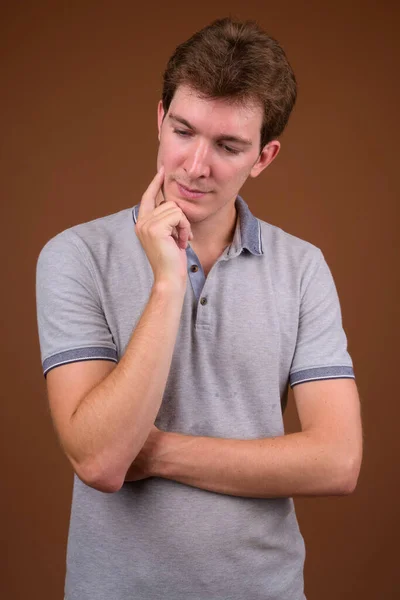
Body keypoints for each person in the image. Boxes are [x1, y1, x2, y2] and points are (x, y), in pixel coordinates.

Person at [35, 16, 363, 600]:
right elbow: (101, 462)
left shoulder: (302, 266)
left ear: (264, 157)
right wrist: (166, 284)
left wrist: (158, 451)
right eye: (183, 131)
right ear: (159, 119)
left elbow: (337, 461)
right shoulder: (75, 256)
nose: (194, 165)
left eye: (228, 146)